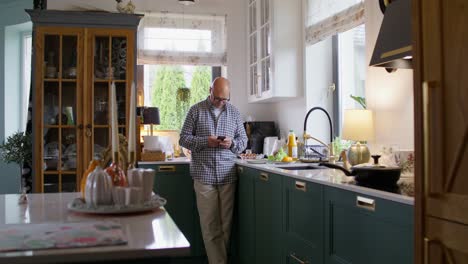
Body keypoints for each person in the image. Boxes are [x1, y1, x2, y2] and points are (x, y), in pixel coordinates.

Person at [179, 77, 247, 264]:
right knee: (210, 225)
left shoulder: (234, 112)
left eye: (225, 99)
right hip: (204, 175)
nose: (221, 102)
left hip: (227, 175)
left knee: (225, 226)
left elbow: (243, 141)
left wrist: (232, 143)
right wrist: (204, 141)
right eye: (217, 98)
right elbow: (183, 139)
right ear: (210, 91)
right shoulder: (196, 110)